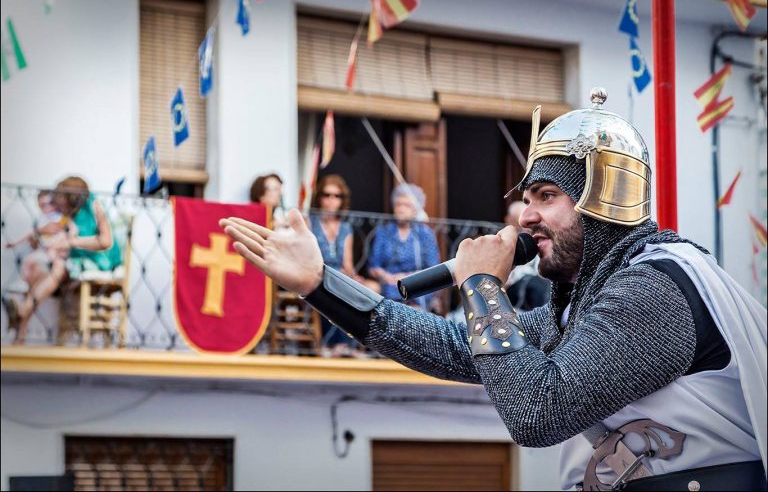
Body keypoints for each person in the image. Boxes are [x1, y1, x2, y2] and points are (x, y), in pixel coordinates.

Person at [220, 88, 767, 491]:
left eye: (547, 196)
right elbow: (461, 347)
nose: (525, 216)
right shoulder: (587, 304)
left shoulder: (654, 288)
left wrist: (482, 285)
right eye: (526, 198)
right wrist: (321, 283)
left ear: (605, 201)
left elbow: (538, 411)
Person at [3, 176, 122, 344]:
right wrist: (39, 235)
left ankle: (21, 317)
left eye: (60, 198)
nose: (56, 203)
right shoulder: (67, 216)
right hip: (76, 261)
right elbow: (50, 239)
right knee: (38, 269)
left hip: (100, 260)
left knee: (57, 265)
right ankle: (20, 330)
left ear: (72, 198)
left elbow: (106, 241)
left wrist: (71, 242)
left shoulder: (94, 205)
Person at [309, 174, 377, 356]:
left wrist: (354, 276)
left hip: (339, 272)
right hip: (317, 270)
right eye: (327, 195)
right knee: (330, 290)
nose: (331, 200)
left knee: (361, 289)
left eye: (336, 196)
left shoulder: (345, 227)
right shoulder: (311, 222)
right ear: (319, 197)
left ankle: (351, 344)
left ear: (342, 200)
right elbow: (308, 255)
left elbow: (347, 262)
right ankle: (330, 343)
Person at [368, 184, 442, 313]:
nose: (401, 209)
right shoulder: (384, 232)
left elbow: (433, 268)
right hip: (387, 285)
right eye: (398, 204)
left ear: (416, 209)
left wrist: (407, 277)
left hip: (415, 286)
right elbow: (374, 266)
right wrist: (386, 276)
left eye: (407, 205)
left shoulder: (424, 233)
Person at [504, 200, 551, 311]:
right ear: (508, 219)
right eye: (517, 218)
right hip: (512, 288)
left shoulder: (532, 242)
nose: (525, 223)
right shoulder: (498, 242)